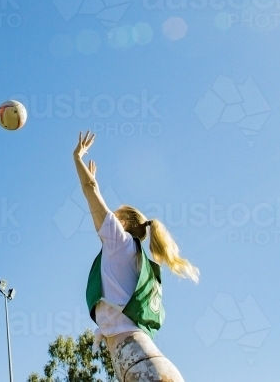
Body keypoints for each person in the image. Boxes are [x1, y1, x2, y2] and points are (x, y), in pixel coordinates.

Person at [73, 131, 198, 382]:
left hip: (141, 365)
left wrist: (77, 157)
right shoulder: (134, 257)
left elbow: (89, 189)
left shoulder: (119, 242)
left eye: (113, 215)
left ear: (121, 223)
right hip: (144, 363)